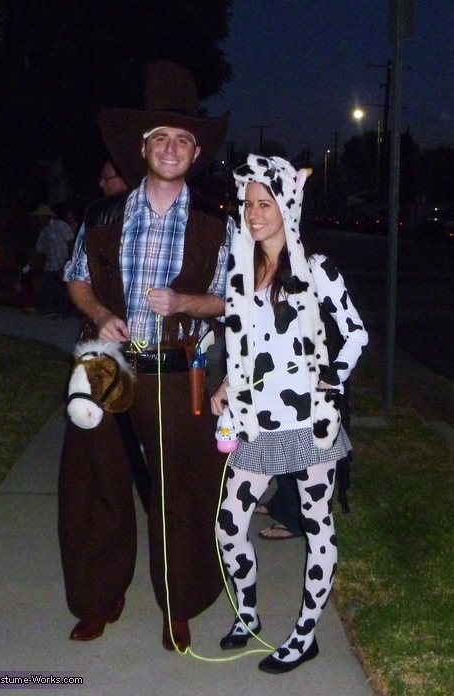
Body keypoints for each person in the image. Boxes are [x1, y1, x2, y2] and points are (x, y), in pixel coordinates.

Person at [58, 61, 233, 651]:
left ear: (194, 153)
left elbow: (231, 299)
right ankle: (96, 598)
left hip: (177, 370)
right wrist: (99, 314)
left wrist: (186, 299)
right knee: (95, 484)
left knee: (180, 492)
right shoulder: (104, 215)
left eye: (184, 139)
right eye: (162, 137)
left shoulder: (215, 225)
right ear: (143, 147)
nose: (173, 147)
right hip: (110, 365)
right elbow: (77, 279)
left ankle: (178, 605)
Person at [211, 154, 368, 673]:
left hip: (310, 425)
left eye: (266, 203)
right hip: (258, 422)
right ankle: (248, 612)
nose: (254, 214)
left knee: (317, 525)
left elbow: (356, 332)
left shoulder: (316, 269)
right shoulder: (242, 272)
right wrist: (229, 384)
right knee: (229, 525)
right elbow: (250, 346)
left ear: (286, 205)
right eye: (249, 204)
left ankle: (306, 634)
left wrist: (334, 375)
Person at [30, 203, 74, 317]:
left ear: (45, 216)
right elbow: (40, 249)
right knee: (47, 286)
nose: (39, 220)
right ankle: (53, 309)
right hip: (51, 264)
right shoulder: (44, 231)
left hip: (62, 261)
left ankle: (63, 311)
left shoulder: (60, 225)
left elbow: (70, 241)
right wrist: (31, 262)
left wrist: (69, 260)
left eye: (40, 217)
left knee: (62, 288)